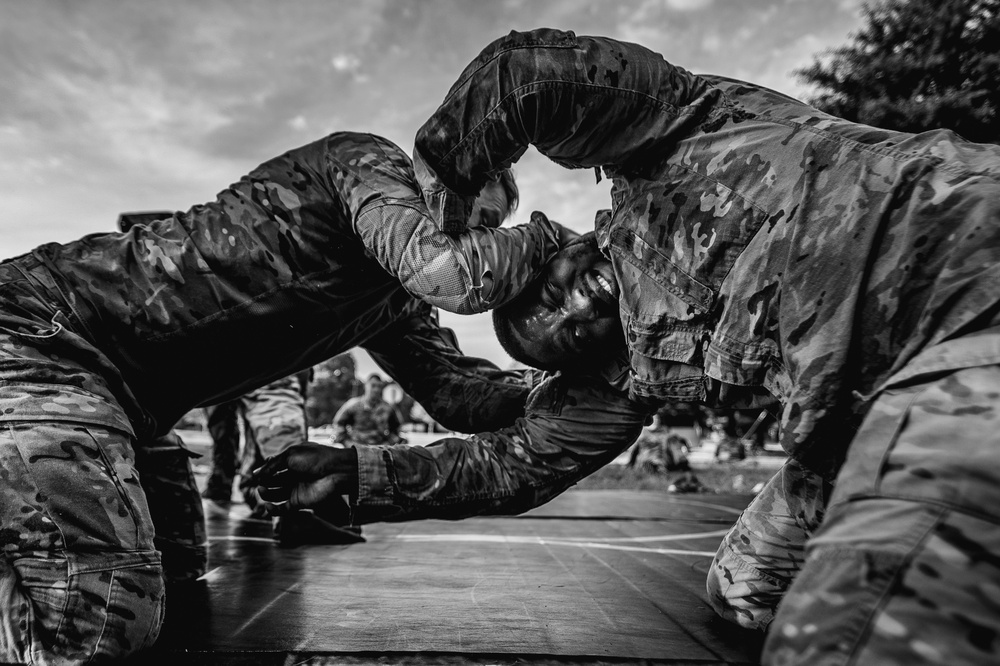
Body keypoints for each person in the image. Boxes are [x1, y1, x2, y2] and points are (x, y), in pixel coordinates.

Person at [253, 28, 1000, 665]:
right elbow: (510, 465)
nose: (576, 307)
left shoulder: (674, 133)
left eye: (553, 291)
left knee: (843, 635)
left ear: (559, 247)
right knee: (740, 592)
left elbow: (522, 76)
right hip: (849, 421)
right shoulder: (630, 373)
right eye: (565, 334)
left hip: (966, 292)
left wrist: (443, 206)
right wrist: (359, 470)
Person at [0, 129, 568, 664]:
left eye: (484, 226)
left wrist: (573, 390)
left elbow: (456, 393)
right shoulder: (364, 162)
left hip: (123, 397)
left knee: (178, 564)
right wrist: (550, 242)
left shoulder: (393, 299)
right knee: (94, 620)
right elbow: (445, 270)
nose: (467, 231)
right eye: (466, 210)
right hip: (40, 332)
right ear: (428, 178)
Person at [331, 373, 404, 447]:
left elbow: (396, 427)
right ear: (366, 386)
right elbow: (338, 424)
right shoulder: (353, 405)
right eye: (373, 386)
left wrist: (389, 442)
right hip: (357, 449)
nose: (376, 389)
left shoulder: (387, 408)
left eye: (379, 386)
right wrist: (346, 442)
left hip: (380, 449)